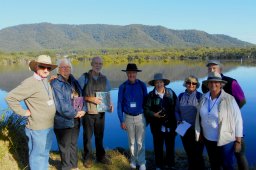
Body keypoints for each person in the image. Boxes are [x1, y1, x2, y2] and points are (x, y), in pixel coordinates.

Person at [5, 55, 57, 170]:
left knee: (44, 153)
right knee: (37, 156)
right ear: (36, 67)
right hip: (37, 128)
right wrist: (23, 112)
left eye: (48, 68)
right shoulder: (30, 83)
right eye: (42, 66)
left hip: (48, 126)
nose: (45, 70)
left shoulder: (44, 81)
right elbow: (10, 97)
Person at [202, 60, 248, 170]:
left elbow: (242, 101)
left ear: (220, 70)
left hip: (230, 127)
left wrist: (228, 114)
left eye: (214, 68)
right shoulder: (206, 85)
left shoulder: (231, 82)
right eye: (209, 69)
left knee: (239, 154)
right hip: (212, 133)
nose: (211, 70)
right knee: (216, 159)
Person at [78, 56, 113, 168]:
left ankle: (100, 156)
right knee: (87, 137)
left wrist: (110, 105)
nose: (98, 65)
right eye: (96, 63)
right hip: (87, 112)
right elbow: (77, 94)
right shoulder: (84, 77)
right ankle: (88, 158)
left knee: (99, 136)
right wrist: (90, 99)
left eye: (100, 64)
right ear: (92, 64)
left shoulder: (105, 78)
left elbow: (107, 94)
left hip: (101, 112)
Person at [51, 58, 86, 170]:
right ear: (58, 70)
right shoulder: (56, 84)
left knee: (73, 145)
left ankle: (74, 166)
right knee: (65, 147)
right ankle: (66, 167)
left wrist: (83, 110)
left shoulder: (74, 81)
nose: (66, 69)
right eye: (63, 67)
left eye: (68, 67)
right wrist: (76, 113)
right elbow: (61, 105)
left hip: (76, 120)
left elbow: (81, 97)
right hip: (63, 121)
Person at [144, 73, 177, 170]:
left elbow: (176, 107)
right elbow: (146, 109)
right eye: (157, 82)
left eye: (161, 82)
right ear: (154, 84)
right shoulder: (150, 95)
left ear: (164, 83)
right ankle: (159, 165)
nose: (159, 84)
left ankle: (170, 164)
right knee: (158, 146)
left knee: (170, 146)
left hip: (170, 125)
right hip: (156, 126)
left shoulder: (170, 93)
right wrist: (154, 115)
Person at [117, 63, 147, 170]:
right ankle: (134, 160)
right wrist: (121, 120)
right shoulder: (122, 87)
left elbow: (146, 102)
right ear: (126, 73)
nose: (131, 75)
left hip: (140, 117)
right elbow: (119, 104)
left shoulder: (142, 85)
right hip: (128, 118)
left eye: (133, 72)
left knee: (140, 141)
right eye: (129, 73)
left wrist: (146, 118)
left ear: (136, 73)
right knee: (131, 141)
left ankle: (142, 162)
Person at [175, 75, 205, 170]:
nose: (191, 85)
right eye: (188, 83)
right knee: (189, 152)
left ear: (197, 85)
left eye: (194, 83)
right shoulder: (180, 96)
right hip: (184, 129)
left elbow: (203, 115)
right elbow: (176, 111)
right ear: (185, 84)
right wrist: (178, 120)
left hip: (196, 130)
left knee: (198, 154)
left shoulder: (200, 97)